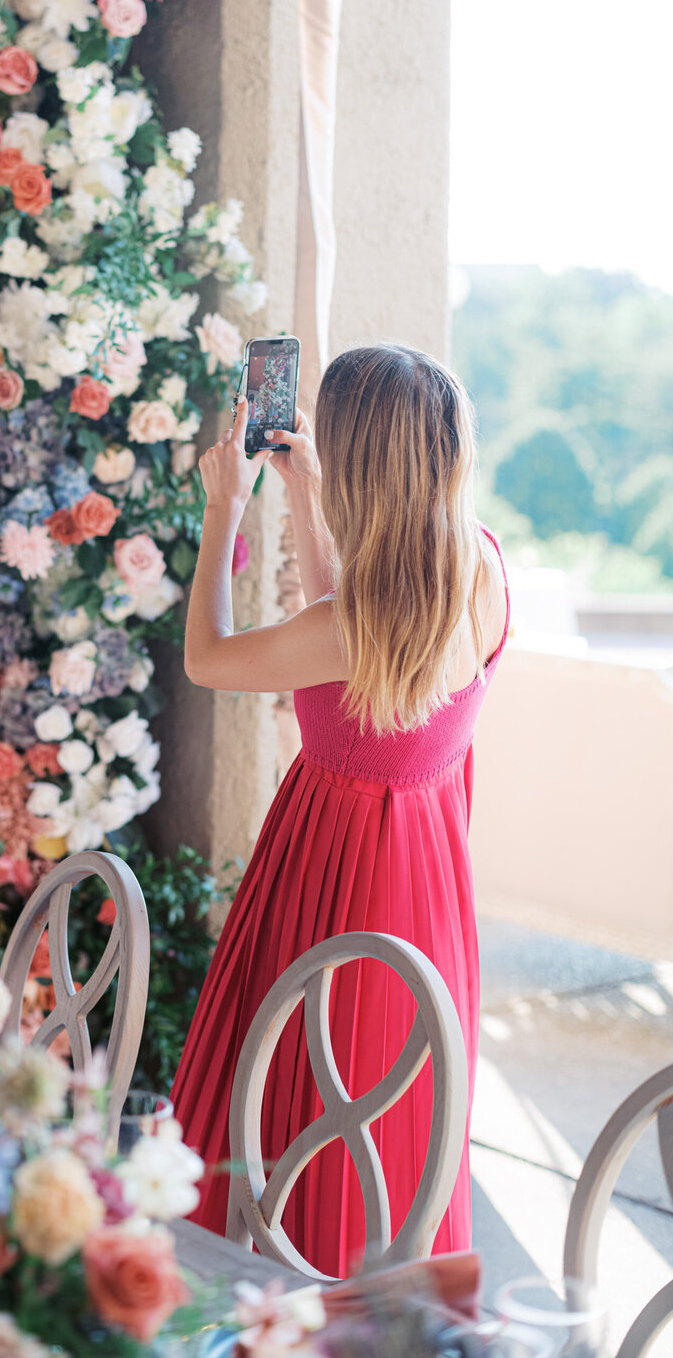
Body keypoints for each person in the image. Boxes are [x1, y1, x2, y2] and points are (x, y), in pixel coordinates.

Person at [172, 343, 509, 1277]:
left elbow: (209, 657)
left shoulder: (354, 628)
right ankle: (375, 1318)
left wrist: (225, 510)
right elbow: (353, 625)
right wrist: (307, 495)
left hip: (330, 878)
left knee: (301, 1095)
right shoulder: (477, 571)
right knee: (381, 1122)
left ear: (363, 466)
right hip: (424, 889)